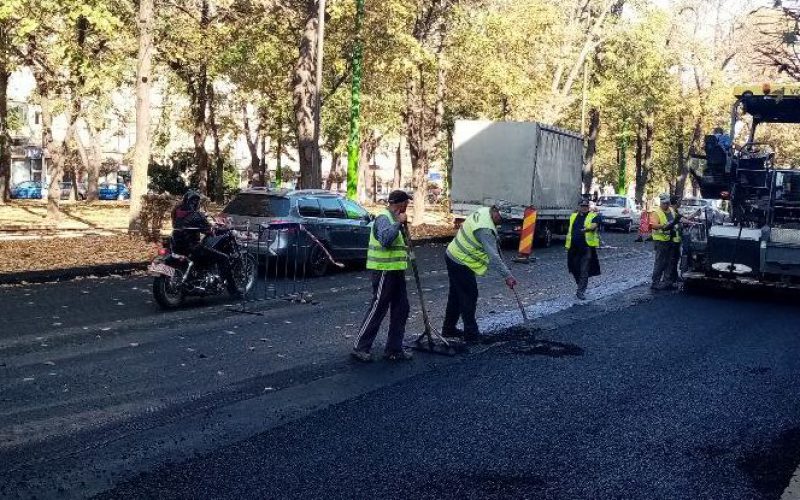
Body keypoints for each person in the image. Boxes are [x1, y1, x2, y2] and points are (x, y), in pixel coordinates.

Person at [352, 190, 414, 362]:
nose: (407, 206)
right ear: (400, 204)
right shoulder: (384, 218)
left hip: (396, 271)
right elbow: (385, 240)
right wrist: (398, 224)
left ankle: (394, 349)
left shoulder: (395, 219)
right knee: (378, 308)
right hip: (384, 270)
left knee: (402, 308)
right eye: (406, 203)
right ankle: (360, 347)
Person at [442, 205, 517, 342]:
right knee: (469, 296)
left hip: (453, 254)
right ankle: (471, 334)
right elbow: (493, 257)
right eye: (501, 218)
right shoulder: (485, 229)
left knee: (456, 296)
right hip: (460, 260)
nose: (502, 221)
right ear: (495, 212)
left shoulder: (484, 211)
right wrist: (507, 276)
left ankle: (448, 329)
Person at [566, 199, 601, 300]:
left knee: (584, 270)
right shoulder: (573, 216)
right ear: (579, 207)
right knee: (574, 269)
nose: (584, 207)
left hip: (586, 248)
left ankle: (580, 291)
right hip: (573, 248)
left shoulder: (594, 216)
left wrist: (587, 229)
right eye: (582, 206)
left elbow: (594, 225)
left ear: (588, 207)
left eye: (586, 206)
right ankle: (580, 285)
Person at [650, 194, 682, 290]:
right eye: (665, 203)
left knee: (669, 261)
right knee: (660, 262)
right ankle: (655, 282)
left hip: (670, 240)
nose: (667, 205)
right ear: (661, 202)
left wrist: (688, 220)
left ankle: (667, 281)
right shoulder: (656, 212)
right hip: (660, 241)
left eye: (668, 203)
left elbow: (677, 219)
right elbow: (653, 225)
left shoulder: (671, 210)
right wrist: (664, 225)